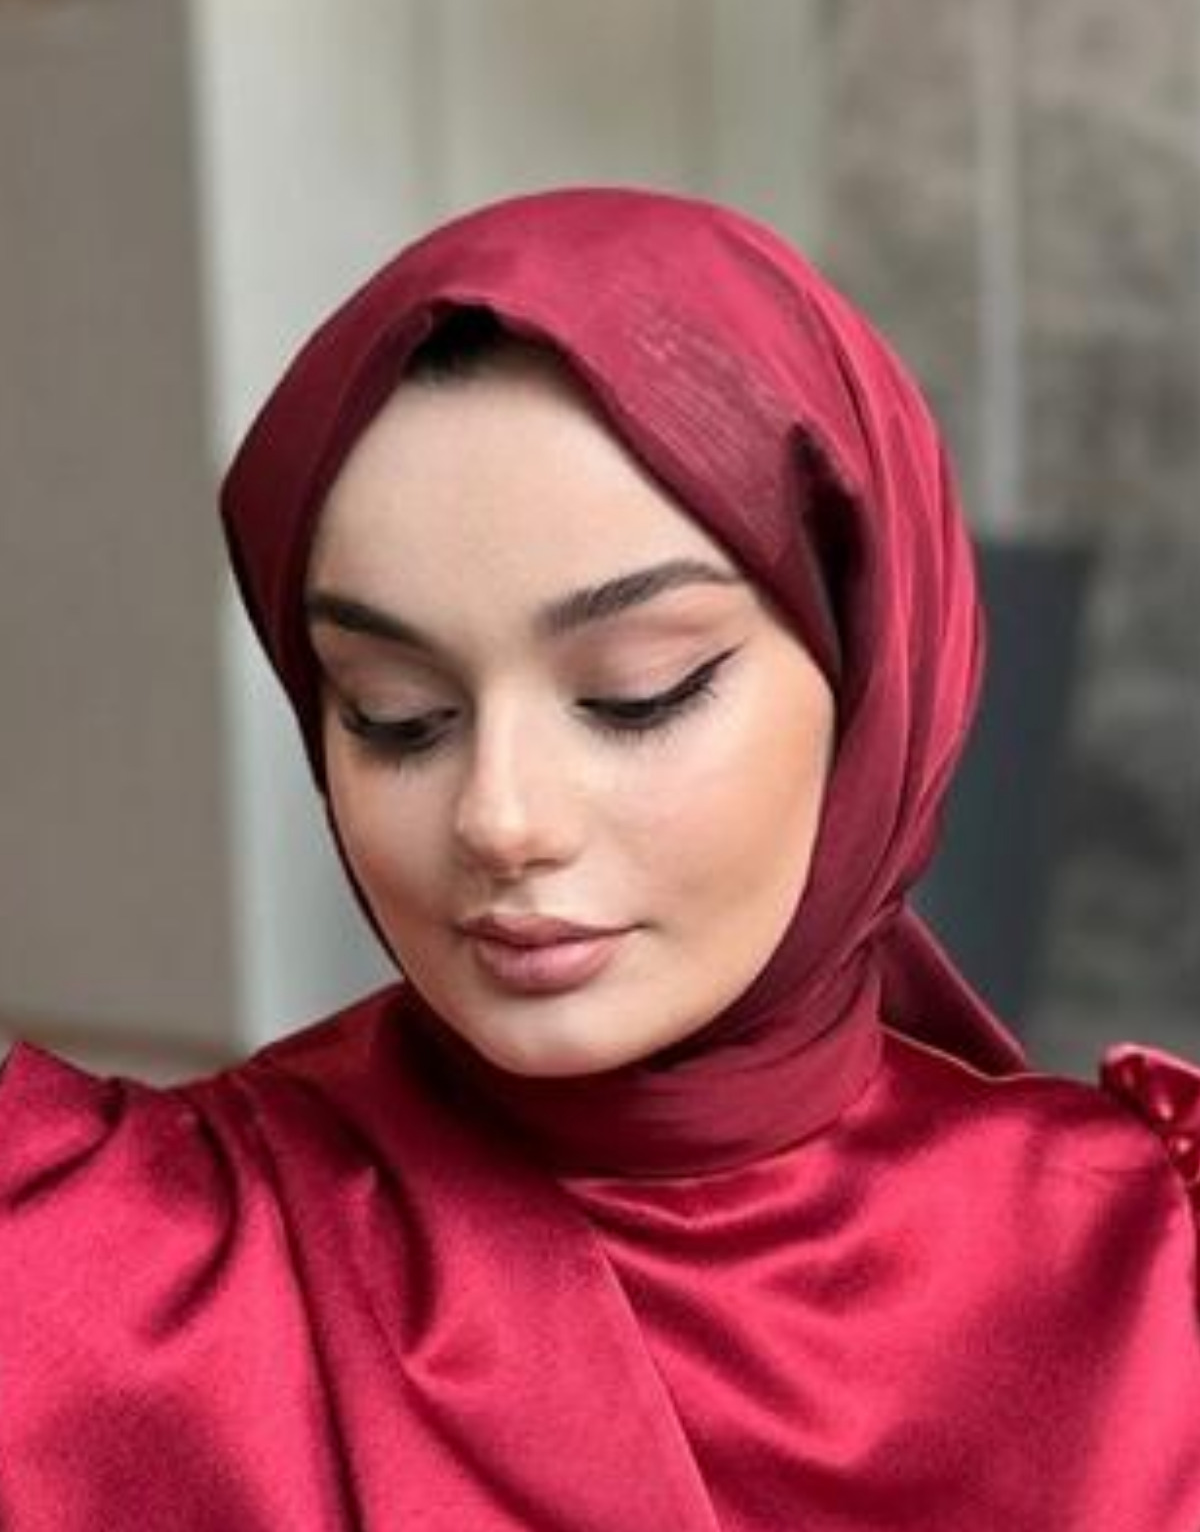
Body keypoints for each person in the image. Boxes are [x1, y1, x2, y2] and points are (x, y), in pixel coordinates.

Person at [2, 186, 1197, 1530]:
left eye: (639, 694)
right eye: (398, 715)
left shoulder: (1158, 1263)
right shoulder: (116, 1271)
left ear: (873, 674)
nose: (501, 818)